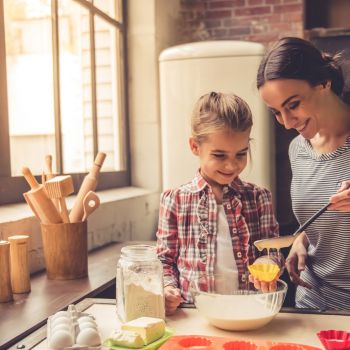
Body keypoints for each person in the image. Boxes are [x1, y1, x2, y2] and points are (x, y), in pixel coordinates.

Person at [156, 92, 283, 315]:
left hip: (249, 311)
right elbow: (164, 260)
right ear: (195, 147)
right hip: (194, 313)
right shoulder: (174, 200)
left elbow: (272, 250)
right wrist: (167, 288)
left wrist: (269, 264)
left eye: (241, 154)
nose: (231, 165)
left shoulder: (259, 197)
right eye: (219, 155)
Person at [257, 37, 350, 310]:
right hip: (312, 300)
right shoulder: (298, 149)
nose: (286, 123)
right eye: (276, 112)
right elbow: (321, 216)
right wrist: (301, 239)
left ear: (324, 83)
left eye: (294, 104)